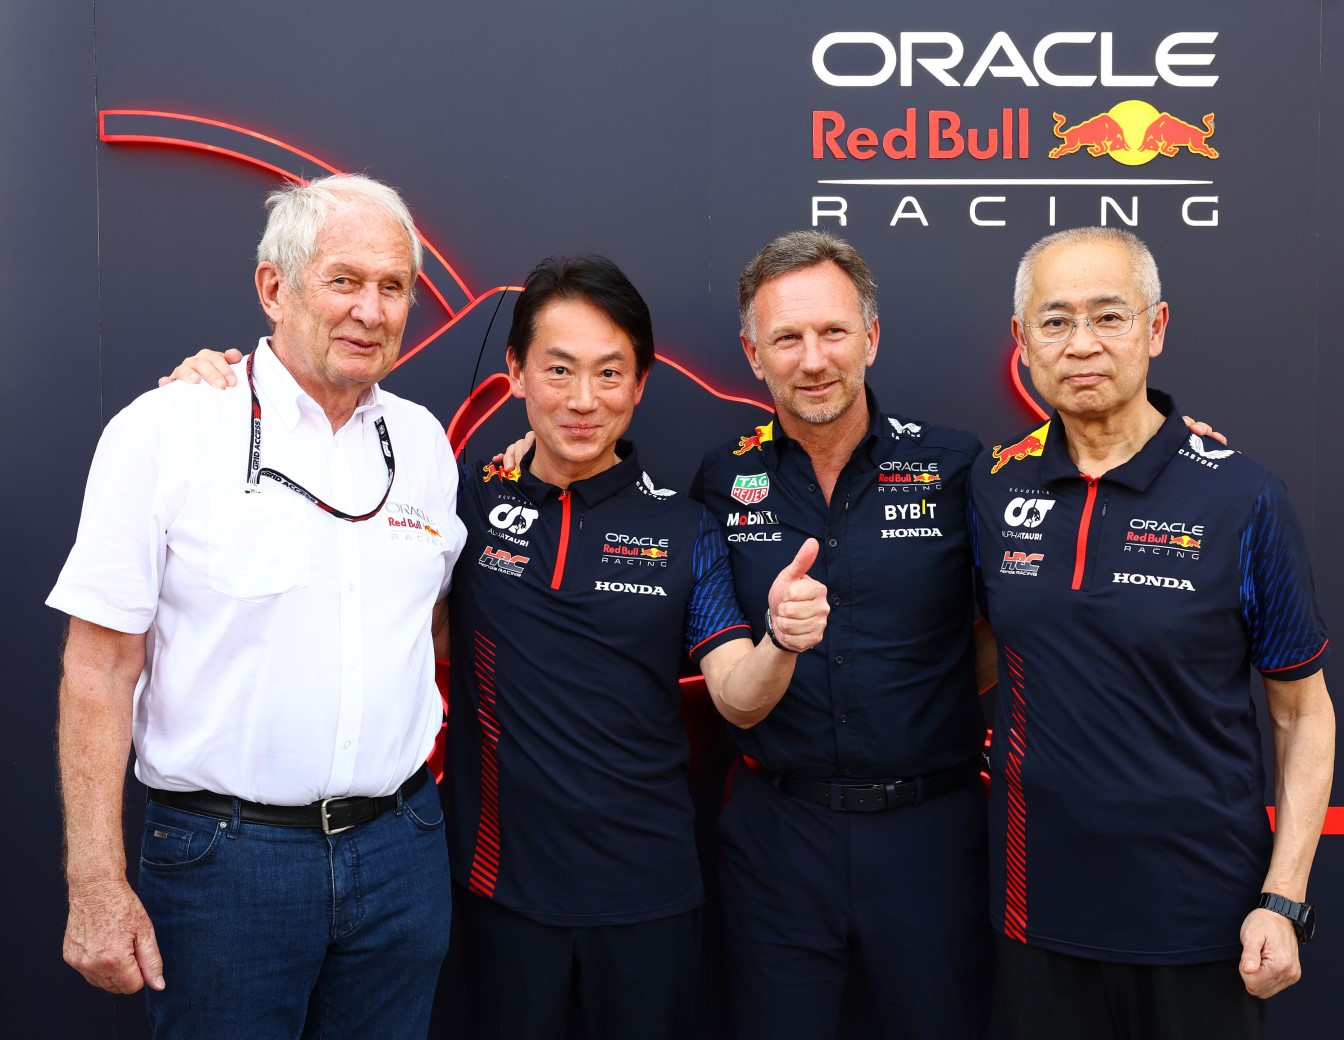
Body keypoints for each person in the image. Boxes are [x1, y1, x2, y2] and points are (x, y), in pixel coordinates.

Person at [164, 254, 831, 1040]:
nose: (584, 400)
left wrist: (783, 641)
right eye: (559, 370)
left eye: (610, 373)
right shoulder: (463, 497)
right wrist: (221, 387)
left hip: (651, 897)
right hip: (498, 892)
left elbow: (737, 696)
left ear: (641, 383)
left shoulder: (684, 528)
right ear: (515, 373)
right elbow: (340, 530)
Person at [48, 173, 465, 1039]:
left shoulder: (424, 444)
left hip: (401, 852)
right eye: (343, 280)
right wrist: (94, 881)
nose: (371, 310)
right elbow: (98, 665)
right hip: (225, 868)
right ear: (274, 288)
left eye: (393, 287)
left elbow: (429, 625)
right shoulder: (166, 431)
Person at [969, 226, 1335, 1039]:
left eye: (1110, 316)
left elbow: (1303, 714)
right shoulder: (991, 489)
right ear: (1022, 341)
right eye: (1056, 321)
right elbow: (975, 652)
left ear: (1156, 329)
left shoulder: (1242, 497)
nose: (1083, 344)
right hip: (1038, 916)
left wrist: (1284, 899)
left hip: (1200, 923)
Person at [688, 231, 994, 1040]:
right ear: (754, 355)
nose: (813, 359)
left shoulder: (960, 469)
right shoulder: (721, 480)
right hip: (778, 836)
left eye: (833, 332)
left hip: (930, 836)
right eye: (787, 338)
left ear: (872, 337)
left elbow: (1020, 614)